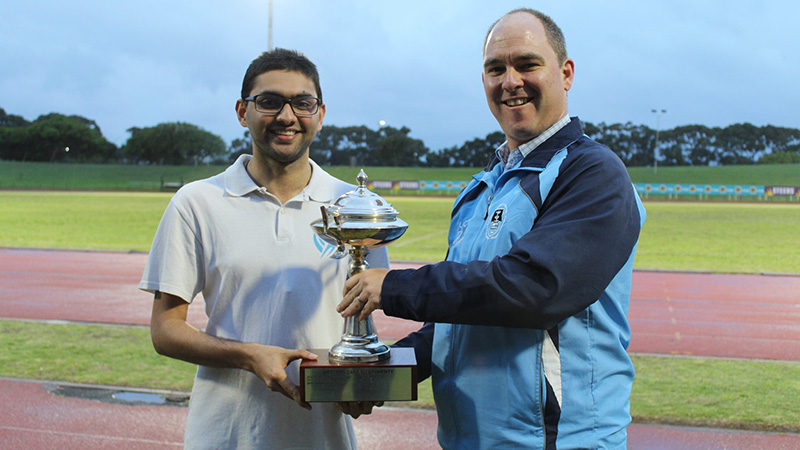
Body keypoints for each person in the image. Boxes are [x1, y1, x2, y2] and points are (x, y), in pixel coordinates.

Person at [339, 8, 646, 450]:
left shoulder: (591, 172)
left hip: (556, 441)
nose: (510, 81)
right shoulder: (481, 188)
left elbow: (536, 288)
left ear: (566, 73)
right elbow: (452, 324)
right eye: (495, 69)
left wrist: (393, 287)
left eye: (527, 64)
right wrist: (376, 374)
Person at [139, 48, 388, 449]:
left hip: (322, 437)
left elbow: (362, 329)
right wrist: (249, 356)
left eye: (302, 103)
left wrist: (359, 384)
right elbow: (165, 331)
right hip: (225, 434)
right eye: (269, 102)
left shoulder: (354, 208)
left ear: (320, 115)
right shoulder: (197, 202)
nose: (287, 116)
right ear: (243, 112)